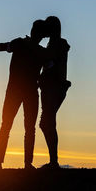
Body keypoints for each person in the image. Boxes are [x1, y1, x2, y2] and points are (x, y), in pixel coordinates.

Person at [0, 20, 48, 170]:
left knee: (7, 126)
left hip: (16, 91)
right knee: (27, 128)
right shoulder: (39, 51)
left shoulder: (20, 43)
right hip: (28, 92)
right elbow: (49, 69)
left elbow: (3, 47)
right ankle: (25, 164)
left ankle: (0, 163)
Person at [39, 16, 71, 169]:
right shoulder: (56, 44)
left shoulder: (57, 45)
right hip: (53, 88)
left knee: (47, 123)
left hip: (53, 88)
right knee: (47, 123)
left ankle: (54, 162)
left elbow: (50, 65)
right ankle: (53, 161)